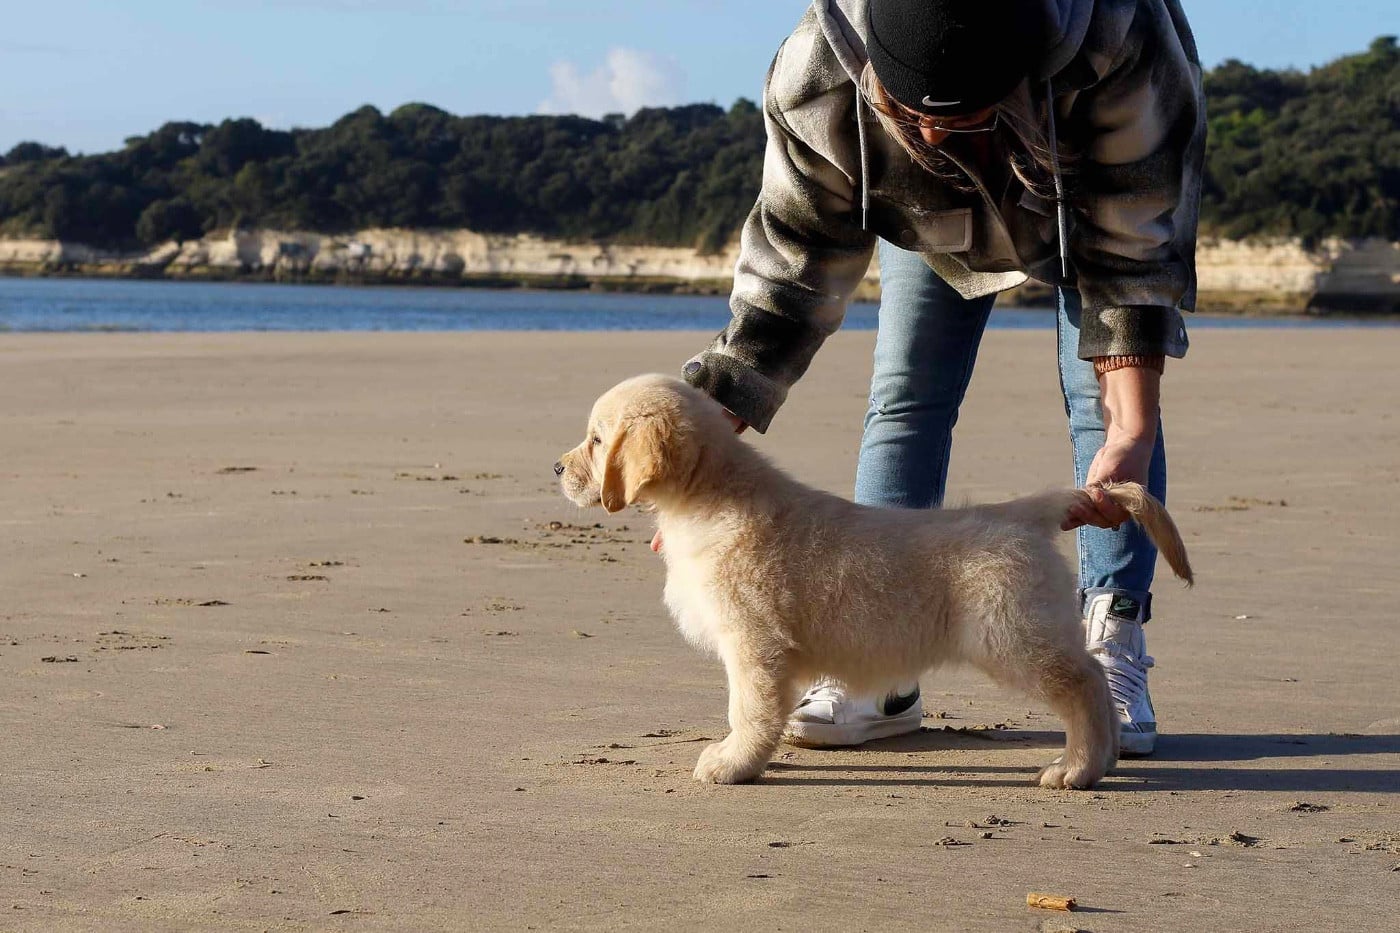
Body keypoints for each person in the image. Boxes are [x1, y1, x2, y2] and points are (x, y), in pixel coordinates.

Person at [675, 0, 1205, 756]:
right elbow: (789, 272)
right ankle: (880, 672)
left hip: (1083, 187)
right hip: (922, 210)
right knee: (906, 396)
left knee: (1107, 411)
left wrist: (1133, 427)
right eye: (914, 114)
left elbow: (1135, 248)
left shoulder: (1119, 39)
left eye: (963, 118)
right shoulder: (816, 74)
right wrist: (700, 449)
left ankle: (1111, 637)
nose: (932, 136)